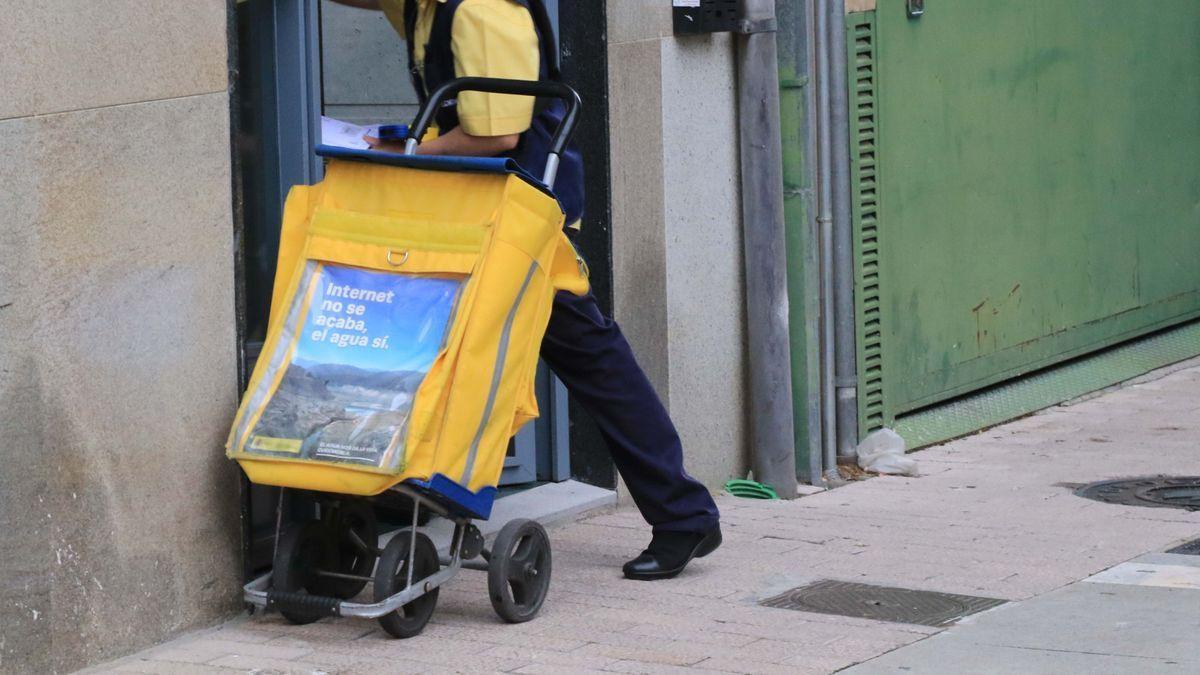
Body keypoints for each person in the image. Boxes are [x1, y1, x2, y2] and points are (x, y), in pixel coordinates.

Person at [329, 0, 721, 580]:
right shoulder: (419, 6)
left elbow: (497, 135)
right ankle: (400, 488)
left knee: (592, 359)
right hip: (469, 209)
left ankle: (683, 515)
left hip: (522, 213)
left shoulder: (485, 12)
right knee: (448, 348)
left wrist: (401, 153)